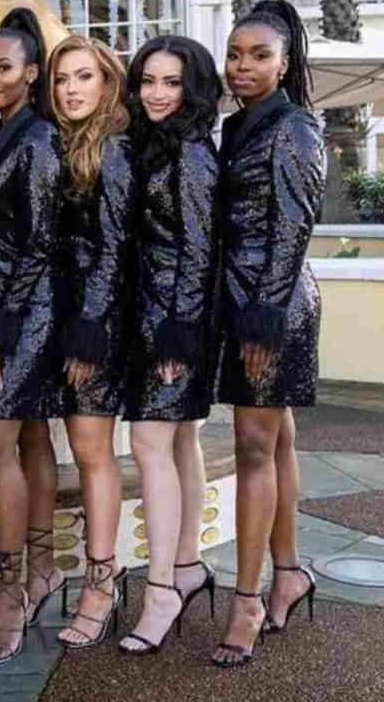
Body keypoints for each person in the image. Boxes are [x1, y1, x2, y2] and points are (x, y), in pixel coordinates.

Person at [212, 0, 324, 668]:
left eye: (258, 55)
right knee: (275, 439)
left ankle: (247, 599)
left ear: (284, 64)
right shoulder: (235, 128)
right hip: (242, 300)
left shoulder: (294, 128)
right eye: (234, 54)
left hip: (272, 307)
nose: (242, 66)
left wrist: (264, 314)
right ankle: (288, 573)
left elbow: (294, 227)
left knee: (253, 446)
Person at [116, 35, 223, 656]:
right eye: (148, 81)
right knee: (181, 439)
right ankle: (185, 566)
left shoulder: (190, 153)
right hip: (157, 317)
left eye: (171, 82)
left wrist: (177, 332)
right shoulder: (158, 145)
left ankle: (160, 592)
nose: (157, 94)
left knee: (148, 443)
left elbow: (198, 251)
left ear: (194, 88)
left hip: (174, 323)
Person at [0, 7, 66, 665]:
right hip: (6, 303)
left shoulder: (37, 139)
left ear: (32, 74)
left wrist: (2, 326)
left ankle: (11, 587)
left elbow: (39, 240)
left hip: (28, 308)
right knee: (32, 434)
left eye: (3, 68)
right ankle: (44, 568)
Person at [45, 34, 133, 649]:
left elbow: (114, 248)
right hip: (63, 313)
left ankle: (102, 580)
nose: (71, 89)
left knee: (92, 450)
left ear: (107, 83)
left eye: (83, 77)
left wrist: (88, 330)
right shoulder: (63, 143)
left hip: (94, 321)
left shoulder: (115, 150)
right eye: (62, 79)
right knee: (81, 448)